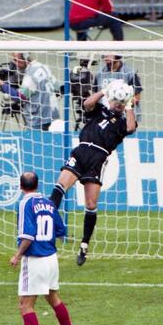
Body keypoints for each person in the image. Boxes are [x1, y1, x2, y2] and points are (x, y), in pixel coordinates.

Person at [49, 79, 137, 266]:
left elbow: (131, 128)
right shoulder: (100, 110)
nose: (118, 104)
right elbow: (87, 104)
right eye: (117, 101)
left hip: (98, 158)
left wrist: (129, 104)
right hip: (81, 151)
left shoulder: (123, 122)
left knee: (91, 204)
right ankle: (46, 227)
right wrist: (105, 90)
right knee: (60, 186)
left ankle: (84, 245)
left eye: (121, 103)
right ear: (111, 99)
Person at [11, 172, 79, 325]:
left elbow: (28, 235)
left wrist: (17, 255)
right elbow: (61, 230)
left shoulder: (25, 203)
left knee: (25, 305)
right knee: (53, 297)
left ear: (21, 186)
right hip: (51, 259)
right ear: (37, 184)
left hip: (35, 259)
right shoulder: (48, 203)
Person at [0, 52, 59, 130]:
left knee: (31, 137)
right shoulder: (44, 67)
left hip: (38, 121)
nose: (15, 64)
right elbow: (58, 89)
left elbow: (19, 97)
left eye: (16, 60)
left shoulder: (30, 74)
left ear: (23, 58)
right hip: (53, 116)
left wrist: (1, 83)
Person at [93, 54, 142, 120]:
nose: (106, 55)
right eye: (104, 52)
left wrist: (123, 108)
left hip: (124, 117)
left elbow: (137, 96)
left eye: (109, 52)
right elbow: (95, 94)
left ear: (117, 54)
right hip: (105, 116)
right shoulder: (99, 73)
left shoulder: (129, 73)